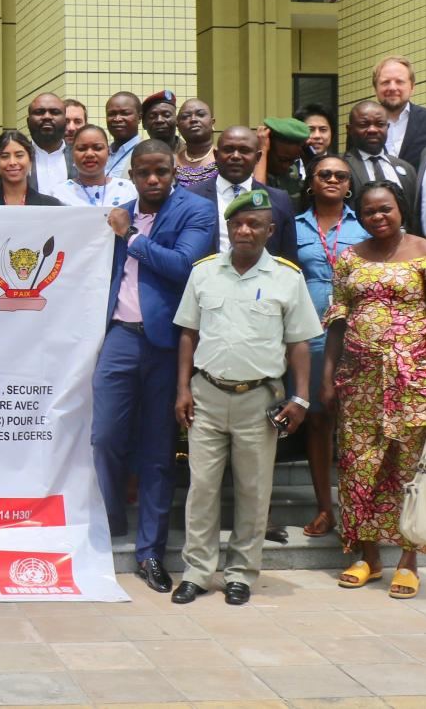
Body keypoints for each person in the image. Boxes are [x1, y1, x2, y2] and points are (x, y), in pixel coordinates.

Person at [171, 189, 320, 606]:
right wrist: (182, 389)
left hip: (259, 398)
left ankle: (240, 573)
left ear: (270, 230)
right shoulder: (204, 273)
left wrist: (301, 398)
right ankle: (197, 572)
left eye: (254, 224)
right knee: (202, 489)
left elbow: (299, 343)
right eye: (237, 223)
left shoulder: (287, 278)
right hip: (206, 394)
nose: (244, 230)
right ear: (229, 228)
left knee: (254, 491)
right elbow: (188, 334)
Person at [94, 140, 217, 593]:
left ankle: (150, 552)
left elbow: (184, 266)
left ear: (174, 172)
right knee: (104, 436)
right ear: (131, 175)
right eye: (143, 172)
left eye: (161, 171)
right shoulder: (119, 213)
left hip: (169, 344)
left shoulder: (196, 211)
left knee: (157, 452)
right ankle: (110, 520)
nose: (153, 179)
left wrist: (130, 237)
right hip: (120, 337)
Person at [322, 181, 426, 599]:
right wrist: (328, 376)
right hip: (359, 381)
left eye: (385, 209)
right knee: (357, 465)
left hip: (415, 381)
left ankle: (408, 560)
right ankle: (367, 557)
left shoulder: (424, 251)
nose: (378, 217)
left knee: (407, 468)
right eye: (369, 212)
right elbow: (338, 319)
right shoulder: (350, 257)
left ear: (400, 209)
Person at [293, 154, 370, 538]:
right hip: (310, 335)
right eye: (325, 173)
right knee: (318, 420)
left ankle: (363, 511)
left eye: (341, 175)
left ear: (350, 184)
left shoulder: (365, 225)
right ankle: (326, 508)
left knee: (357, 424)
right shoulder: (293, 226)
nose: (333, 179)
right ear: (311, 181)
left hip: (357, 335)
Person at [183, 126, 296, 258]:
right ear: (216, 155)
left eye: (244, 150)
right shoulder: (191, 196)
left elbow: (289, 258)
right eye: (228, 149)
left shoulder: (279, 200)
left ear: (258, 157)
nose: (235, 156)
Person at [344, 100, 420, 232]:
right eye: (364, 124)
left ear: (387, 127)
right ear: (349, 129)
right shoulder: (340, 167)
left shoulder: (406, 168)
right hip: (360, 243)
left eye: (380, 124)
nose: (372, 130)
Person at [52, 126, 138, 208]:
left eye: (97, 148)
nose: (89, 154)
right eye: (82, 148)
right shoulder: (59, 194)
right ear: (72, 154)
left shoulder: (128, 190)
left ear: (108, 152)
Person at [0, 131, 62, 206]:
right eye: (4, 156)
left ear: (31, 160)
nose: (12, 162)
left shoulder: (50, 205)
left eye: (19, 155)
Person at [373, 55, 426, 169]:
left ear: (412, 87)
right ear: (375, 88)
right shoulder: (361, 127)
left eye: (399, 81)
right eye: (385, 82)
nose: (392, 88)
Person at [255, 117, 313, 205]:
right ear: (268, 148)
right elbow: (257, 200)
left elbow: (310, 197)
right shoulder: (251, 170)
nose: (287, 166)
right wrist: (262, 150)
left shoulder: (292, 173)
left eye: (293, 160)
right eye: (282, 160)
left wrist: (308, 158)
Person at [26, 93, 72, 195]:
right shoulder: (18, 157)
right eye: (39, 112)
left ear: (65, 121)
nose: (47, 117)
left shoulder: (79, 157)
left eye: (55, 112)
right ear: (28, 122)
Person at [174, 98, 218, 187]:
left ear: (212, 123)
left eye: (200, 115)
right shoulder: (172, 162)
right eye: (185, 116)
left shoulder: (224, 159)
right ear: (178, 126)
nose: (193, 119)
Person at [105, 92, 143, 179]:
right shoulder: (102, 153)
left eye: (125, 113)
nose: (117, 119)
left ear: (139, 117)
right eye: (111, 114)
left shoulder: (148, 153)